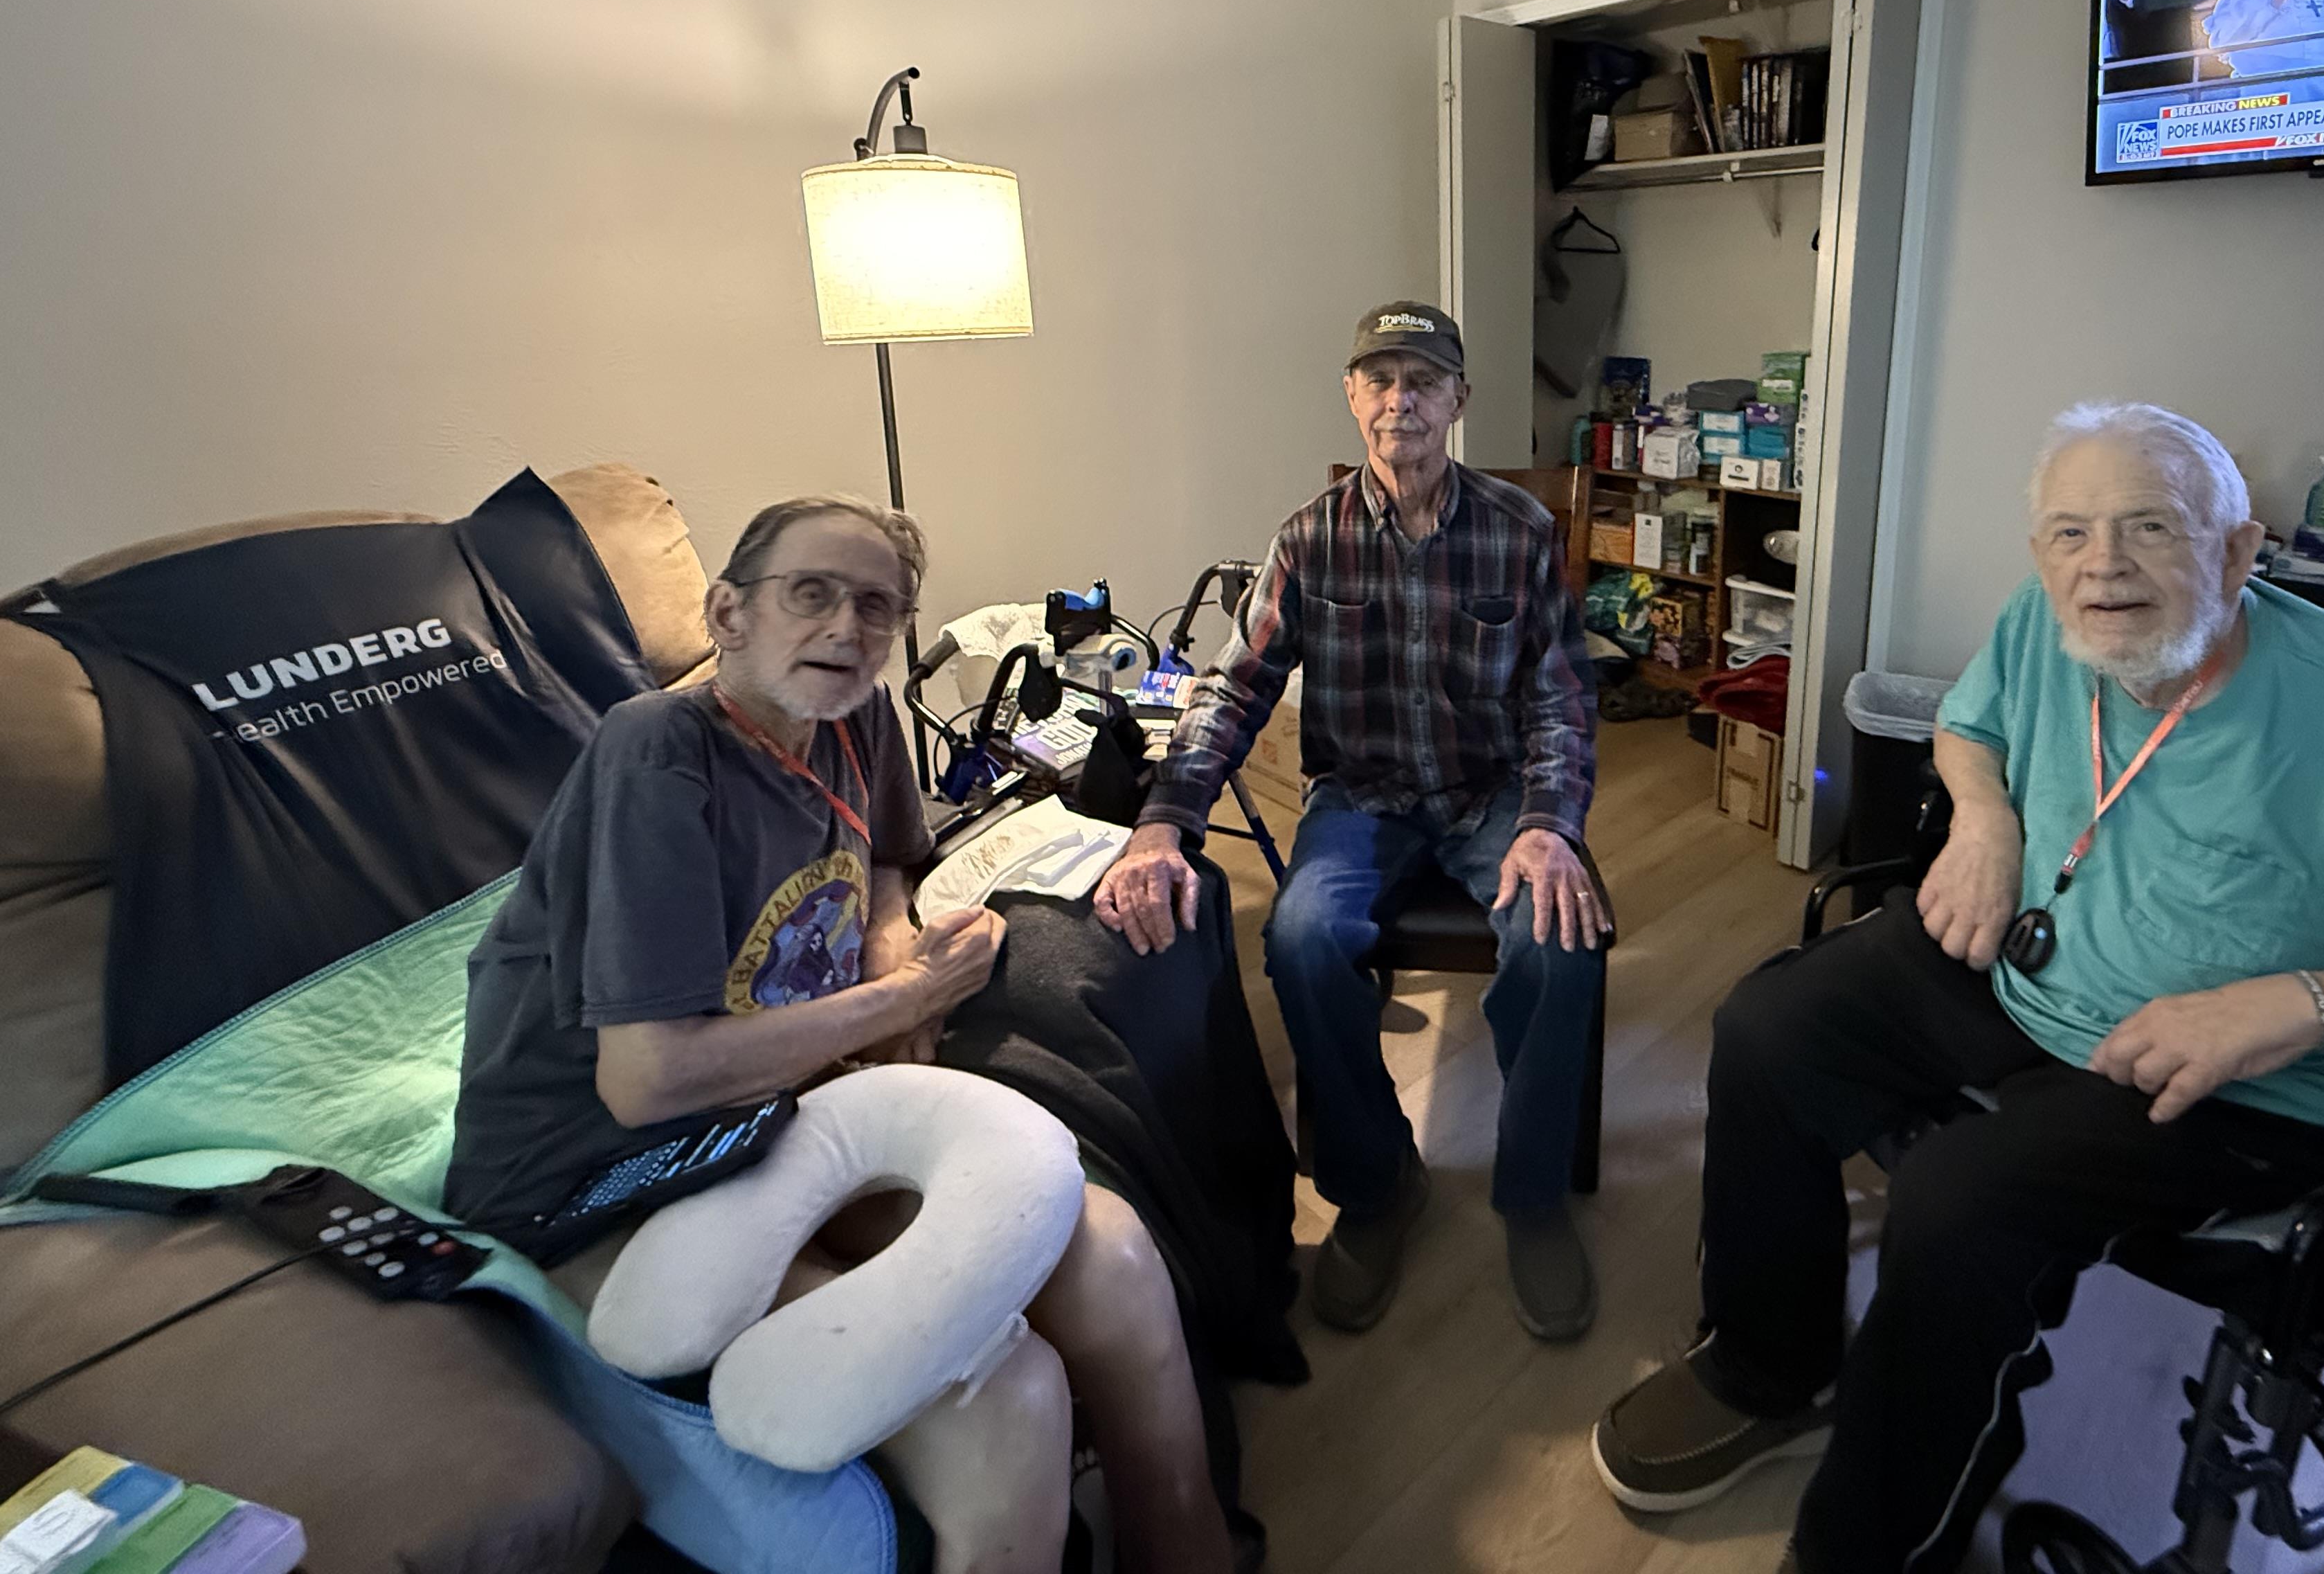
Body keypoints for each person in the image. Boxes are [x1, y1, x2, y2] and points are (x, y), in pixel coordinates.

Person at [1591, 402, 2324, 1574]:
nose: (2102, 565)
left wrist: (2307, 1002)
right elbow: (1967, 724)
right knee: (1771, 1023)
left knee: (1961, 1196)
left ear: (2239, 550)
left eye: (2150, 527)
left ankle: (1875, 1545)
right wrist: (1983, 810)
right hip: (2043, 973)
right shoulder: (2047, 617)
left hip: (2264, 1080)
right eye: (2068, 533)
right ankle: (1770, 1362)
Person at [447, 495, 1233, 1574]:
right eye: (809, 594)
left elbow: (886, 867)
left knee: (1116, 1259)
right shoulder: (658, 756)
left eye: (878, 606)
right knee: (1007, 1400)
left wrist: (890, 947)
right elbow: (647, 1079)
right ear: (727, 613)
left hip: (780, 1115)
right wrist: (904, 1004)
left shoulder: (858, 716)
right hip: (600, 1172)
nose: (847, 628)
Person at [1094, 301, 1610, 1341]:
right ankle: (1377, 1187)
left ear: (1459, 401)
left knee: (1559, 944)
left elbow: (1559, 698)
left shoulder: (1520, 533)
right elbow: (1234, 691)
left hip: (1489, 793)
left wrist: (1549, 824)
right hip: (1362, 795)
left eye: (1423, 380)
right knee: (1300, 938)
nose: (1399, 400)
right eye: (1379, 379)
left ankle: (1533, 1194)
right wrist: (1163, 822)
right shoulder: (1307, 542)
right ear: (1351, 397)